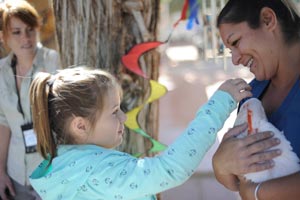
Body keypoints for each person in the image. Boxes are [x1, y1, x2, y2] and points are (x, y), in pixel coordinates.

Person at [28, 66, 251, 200]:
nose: (124, 118)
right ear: (81, 126)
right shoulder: (99, 170)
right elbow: (170, 170)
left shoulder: (66, 167)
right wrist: (218, 107)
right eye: (115, 112)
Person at [212, 0, 300, 199]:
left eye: (235, 42)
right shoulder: (251, 95)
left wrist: (259, 192)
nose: (235, 59)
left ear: (268, 20)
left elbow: (248, 190)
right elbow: (237, 180)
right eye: (229, 50)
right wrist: (220, 164)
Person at [0, 0, 61, 199]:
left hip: (52, 170)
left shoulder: (54, 61)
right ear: (3, 36)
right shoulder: (1, 72)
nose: (25, 38)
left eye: (30, 29)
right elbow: (3, 124)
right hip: (17, 173)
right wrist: (0, 171)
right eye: (16, 32)